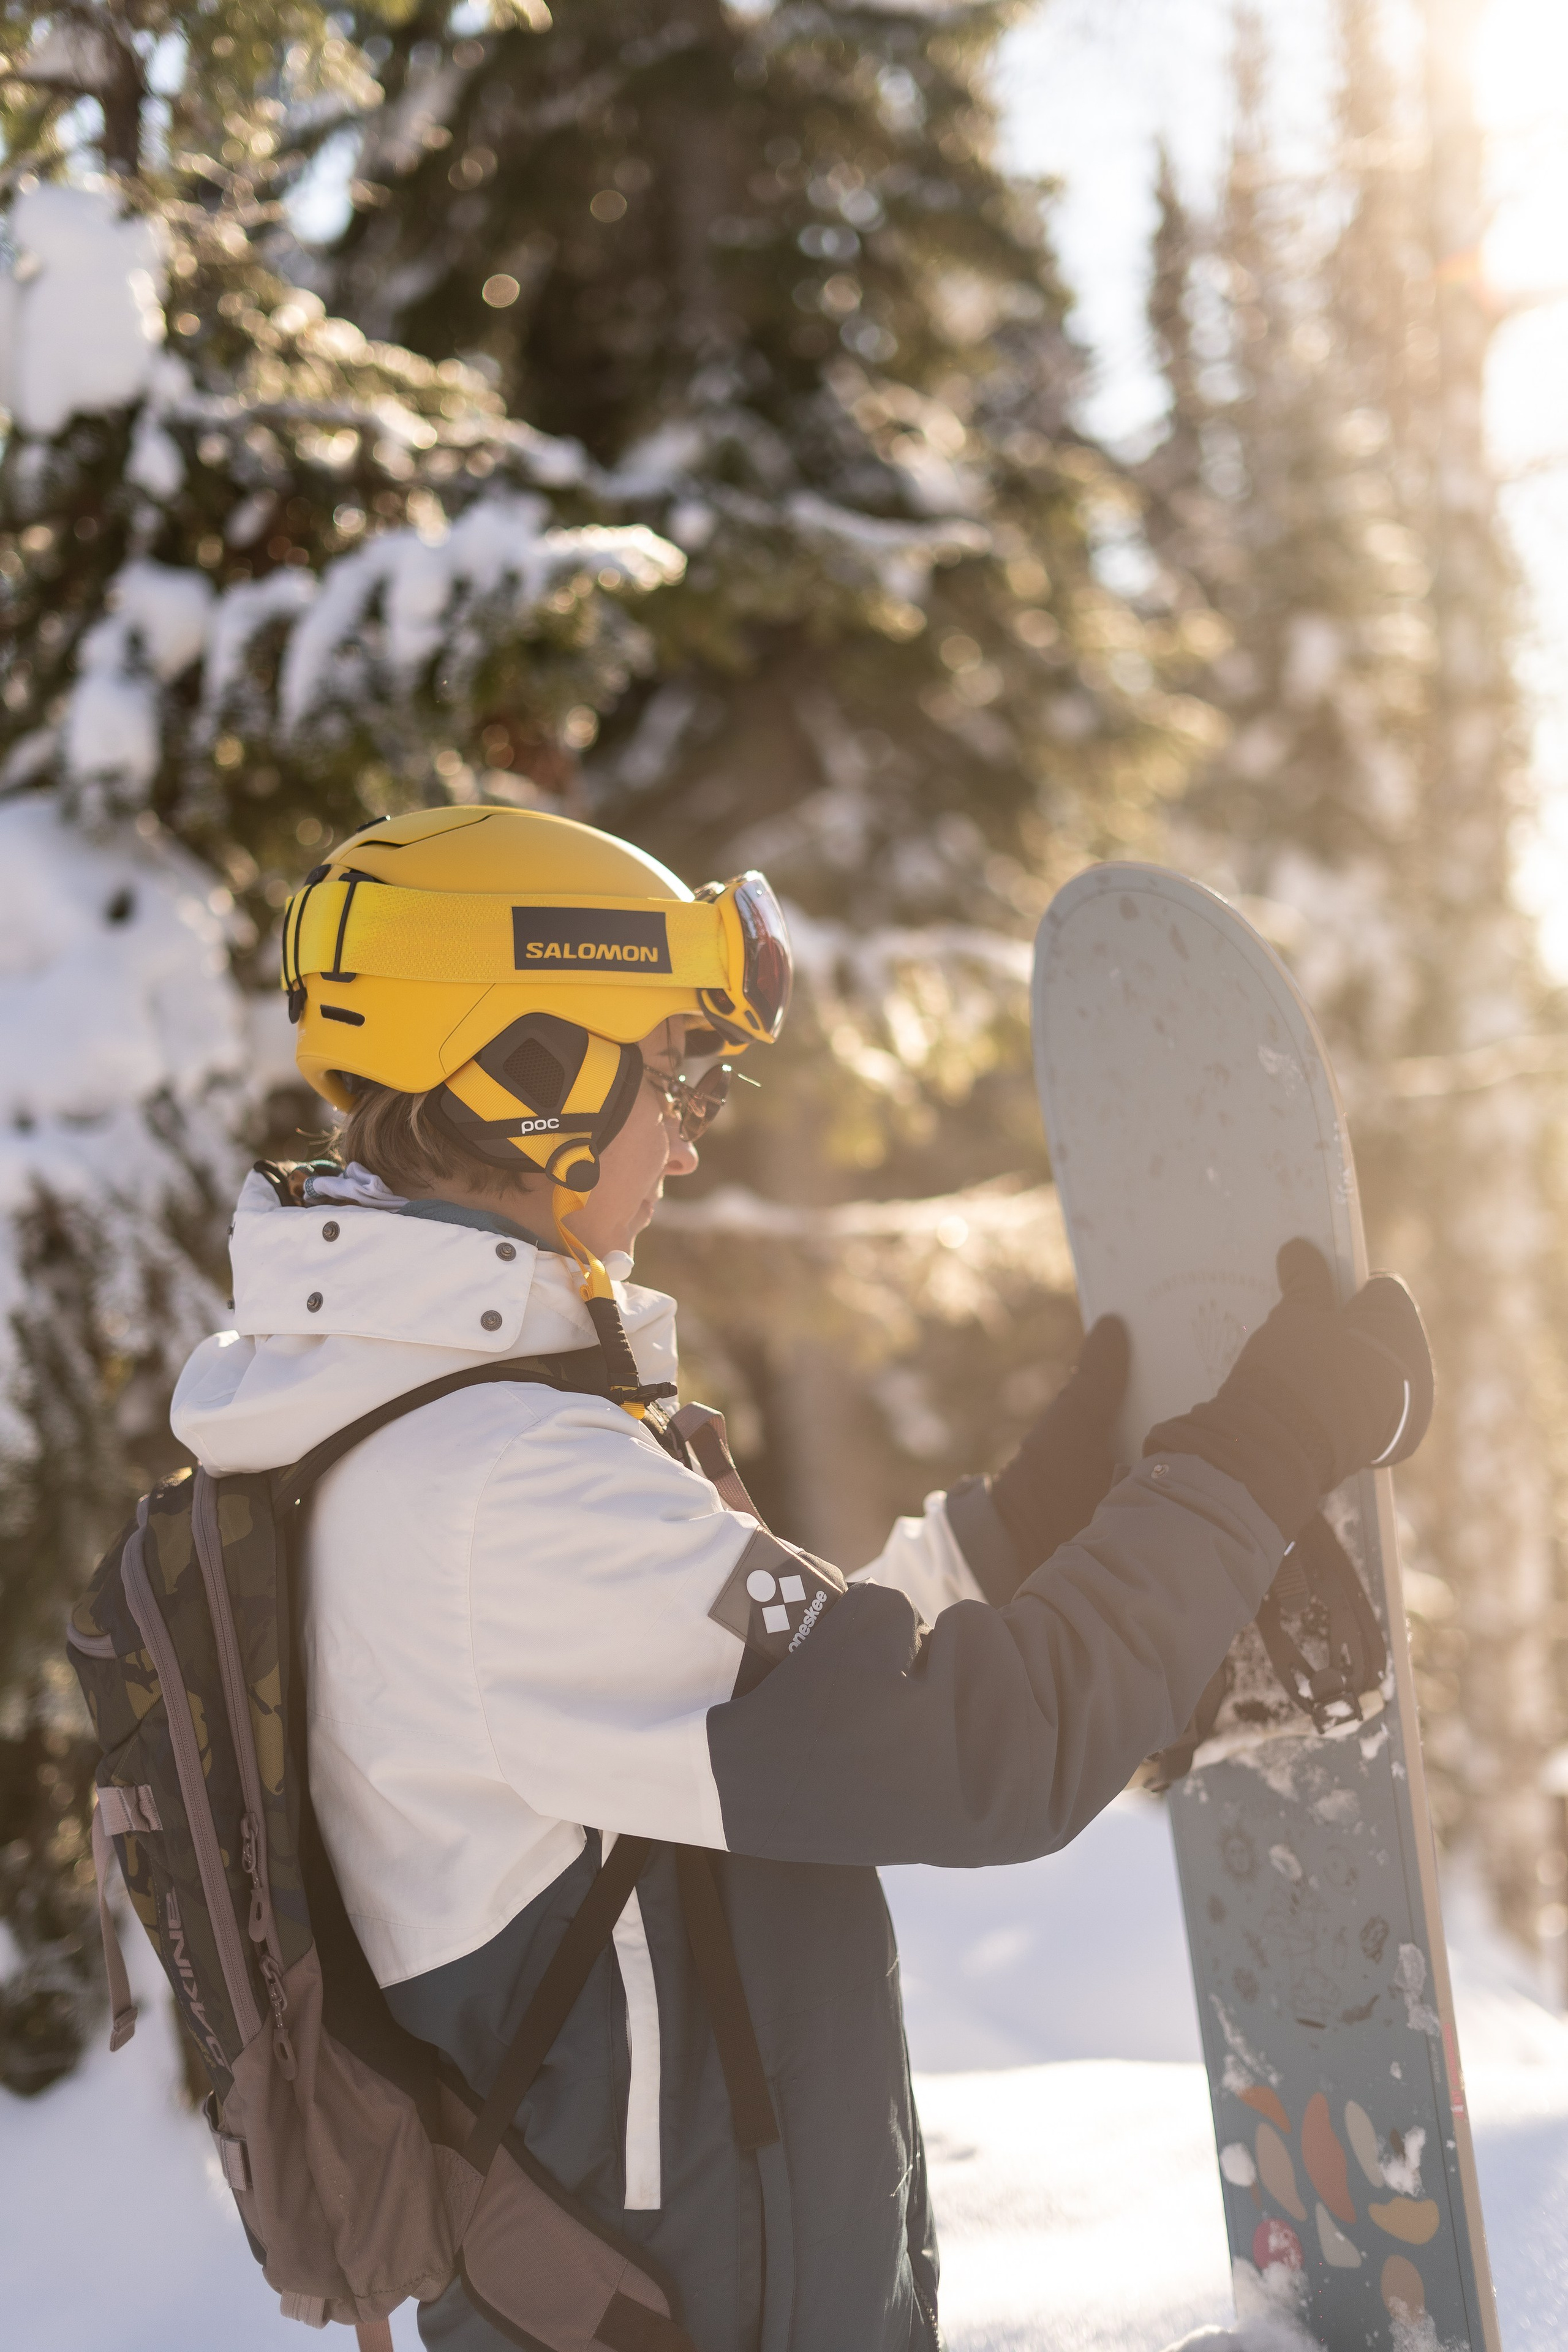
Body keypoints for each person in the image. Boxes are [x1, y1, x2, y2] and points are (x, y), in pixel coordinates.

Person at [170, 805, 1431, 2352]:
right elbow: (973, 1759)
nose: (694, 1123)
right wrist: (1263, 1447)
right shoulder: (499, 1492)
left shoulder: (410, 1430)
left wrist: (1007, 1537)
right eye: (674, 1068)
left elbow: (765, 1712)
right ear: (529, 1070)